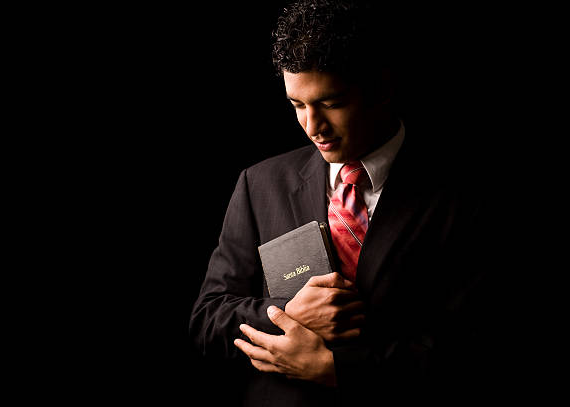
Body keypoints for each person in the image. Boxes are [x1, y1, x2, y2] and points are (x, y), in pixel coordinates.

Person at [189, 0, 510, 404]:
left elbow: (479, 348)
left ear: (381, 88)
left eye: (331, 103)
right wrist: (287, 314)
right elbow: (207, 319)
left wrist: (338, 372)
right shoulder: (259, 183)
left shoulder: (463, 197)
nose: (312, 127)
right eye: (297, 105)